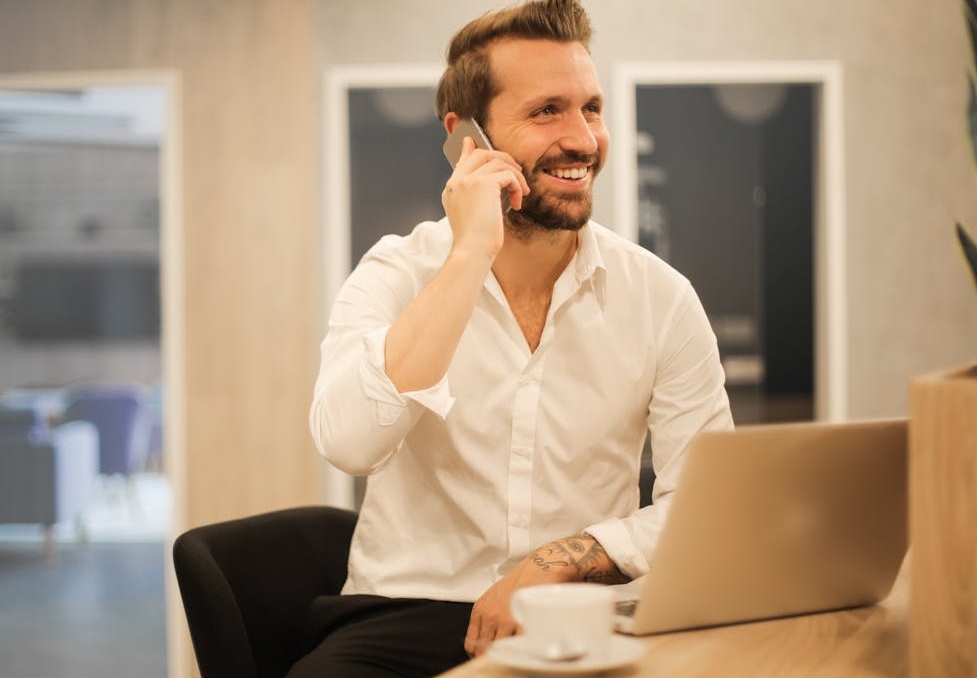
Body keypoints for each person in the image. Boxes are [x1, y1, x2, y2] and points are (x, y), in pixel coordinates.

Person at [298, 0, 733, 675]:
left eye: (590, 108)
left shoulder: (660, 297)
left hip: (583, 606)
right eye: (545, 112)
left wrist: (555, 562)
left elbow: (705, 509)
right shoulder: (395, 271)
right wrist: (469, 253)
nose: (583, 139)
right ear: (466, 137)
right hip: (407, 610)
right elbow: (349, 444)